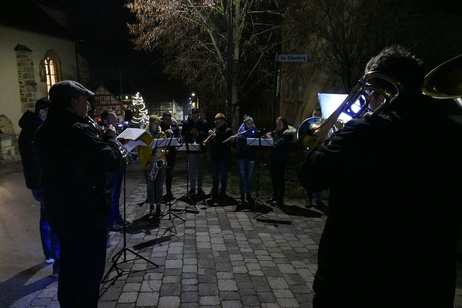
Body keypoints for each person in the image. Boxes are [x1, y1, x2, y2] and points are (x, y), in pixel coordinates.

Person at [299, 45, 462, 308]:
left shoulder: (362, 133)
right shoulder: (453, 136)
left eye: (371, 92)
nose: (369, 99)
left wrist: (326, 138)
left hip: (355, 281)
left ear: (379, 91)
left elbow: (310, 175)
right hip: (427, 283)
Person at [34, 80, 122, 308]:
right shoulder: (77, 129)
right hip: (85, 213)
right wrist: (110, 138)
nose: (88, 109)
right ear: (73, 103)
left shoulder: (45, 130)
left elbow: (76, 160)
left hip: (60, 211)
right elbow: (111, 161)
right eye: (85, 103)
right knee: (89, 275)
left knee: (70, 269)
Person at [18, 97, 60, 277]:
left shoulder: (31, 128)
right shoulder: (36, 131)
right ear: (43, 112)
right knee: (55, 222)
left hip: (38, 182)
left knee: (46, 219)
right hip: (43, 182)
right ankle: (59, 265)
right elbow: (41, 160)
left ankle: (50, 254)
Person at [100, 109, 130, 231]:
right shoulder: (104, 134)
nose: (116, 119)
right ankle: (110, 221)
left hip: (119, 167)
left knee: (116, 195)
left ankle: (116, 216)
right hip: (111, 171)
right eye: (113, 118)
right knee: (111, 197)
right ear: (106, 120)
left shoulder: (115, 131)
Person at [138, 115, 168, 216]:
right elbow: (140, 152)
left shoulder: (162, 134)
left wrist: (165, 151)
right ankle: (151, 206)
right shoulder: (144, 136)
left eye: (159, 123)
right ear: (150, 124)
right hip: (149, 165)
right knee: (150, 187)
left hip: (160, 164)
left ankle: (158, 207)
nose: (158, 125)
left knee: (159, 187)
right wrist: (147, 163)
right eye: (155, 123)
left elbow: (166, 148)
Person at [265, 117, 295, 207]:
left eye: (280, 124)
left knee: (280, 180)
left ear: (284, 125)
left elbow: (276, 145)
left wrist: (270, 138)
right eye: (277, 124)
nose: (278, 126)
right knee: (274, 179)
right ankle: (274, 197)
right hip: (274, 159)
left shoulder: (287, 135)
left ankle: (280, 200)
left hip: (281, 160)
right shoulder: (278, 133)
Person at [181, 108, 208, 196]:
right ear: (191, 115)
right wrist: (190, 132)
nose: (195, 119)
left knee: (201, 169)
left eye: (196, 117)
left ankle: (199, 187)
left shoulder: (204, 123)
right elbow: (183, 134)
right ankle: (192, 188)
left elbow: (207, 135)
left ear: (199, 115)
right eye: (193, 117)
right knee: (191, 170)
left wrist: (199, 133)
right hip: (191, 149)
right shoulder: (186, 123)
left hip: (200, 149)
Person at [231, 116, 257, 206]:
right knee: (242, 176)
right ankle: (242, 195)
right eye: (248, 124)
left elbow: (253, 143)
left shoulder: (254, 131)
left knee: (249, 177)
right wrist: (233, 140)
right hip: (241, 156)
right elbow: (236, 145)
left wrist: (242, 138)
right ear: (245, 124)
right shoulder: (241, 129)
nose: (251, 125)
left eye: (251, 123)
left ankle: (249, 195)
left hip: (250, 156)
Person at [207, 113, 233, 198]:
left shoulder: (228, 130)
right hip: (214, 155)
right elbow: (212, 143)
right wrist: (210, 137)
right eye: (216, 122)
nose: (217, 124)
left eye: (219, 123)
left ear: (223, 121)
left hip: (223, 156)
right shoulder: (215, 129)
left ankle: (223, 190)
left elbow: (223, 143)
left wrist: (215, 137)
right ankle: (215, 189)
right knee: (214, 174)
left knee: (223, 174)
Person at [160, 111, 180, 198]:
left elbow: (179, 136)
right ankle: (158, 191)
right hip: (161, 152)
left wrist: (173, 133)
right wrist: (164, 132)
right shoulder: (159, 126)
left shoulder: (174, 126)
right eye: (165, 119)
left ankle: (169, 191)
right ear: (163, 118)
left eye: (169, 119)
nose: (167, 121)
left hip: (171, 152)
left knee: (169, 173)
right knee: (160, 173)